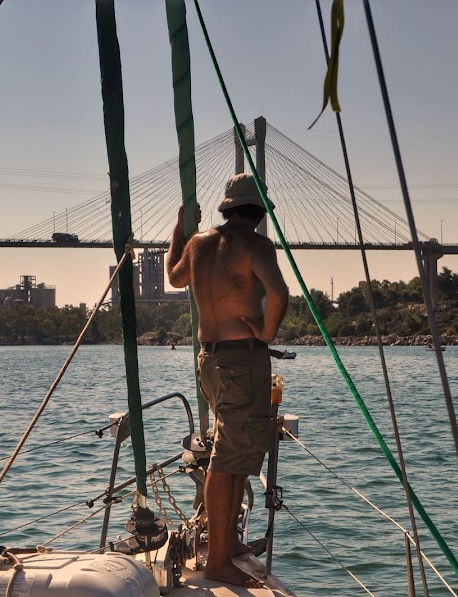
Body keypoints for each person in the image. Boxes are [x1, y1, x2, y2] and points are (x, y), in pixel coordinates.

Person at [166, 172, 289, 588]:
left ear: (227, 208)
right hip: (242, 359)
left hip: (210, 359)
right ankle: (217, 560)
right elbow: (279, 293)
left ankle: (229, 542)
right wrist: (267, 334)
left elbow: (174, 276)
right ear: (257, 212)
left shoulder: (199, 244)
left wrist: (180, 226)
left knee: (233, 449)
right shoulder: (256, 245)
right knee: (227, 457)